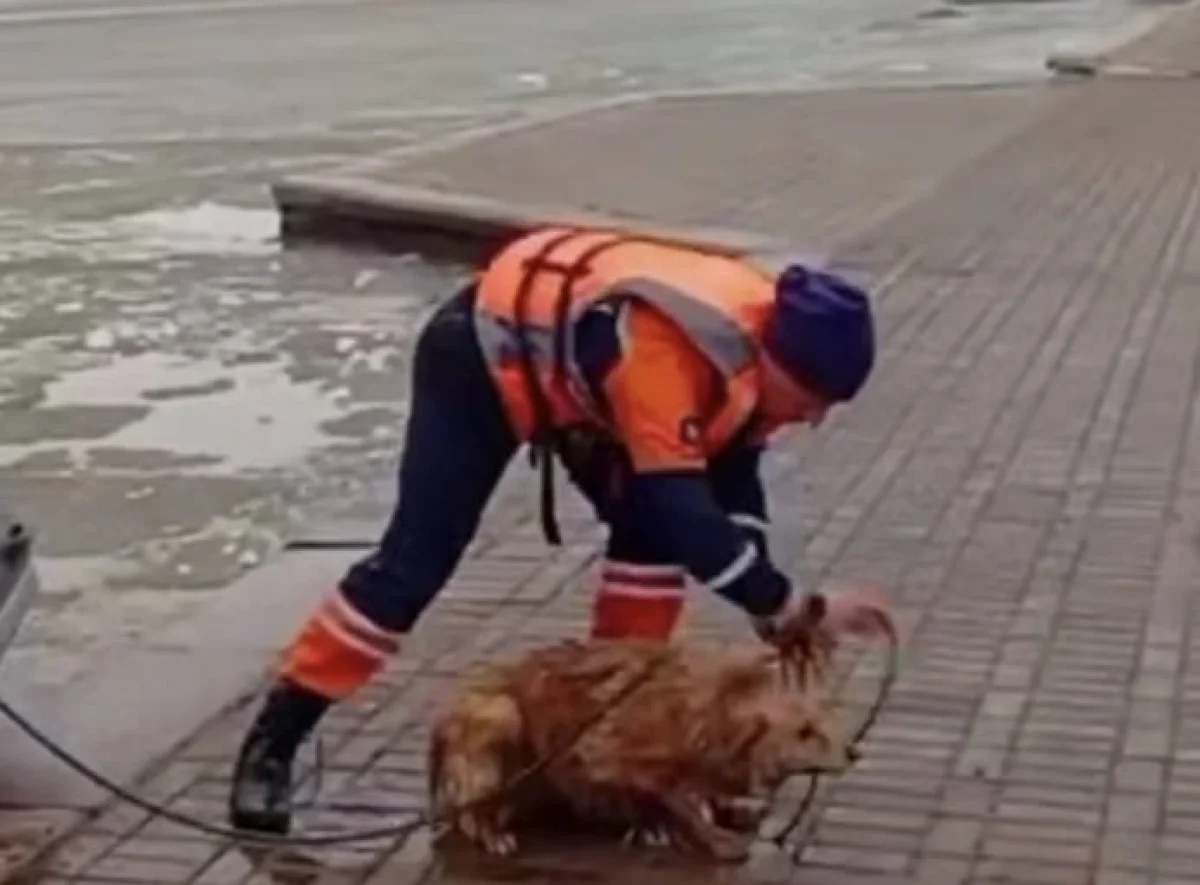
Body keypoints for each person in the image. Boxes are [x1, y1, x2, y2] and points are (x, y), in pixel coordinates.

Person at [227, 225, 891, 835]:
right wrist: (788, 604)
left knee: (648, 552)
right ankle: (273, 743)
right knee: (413, 566)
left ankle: (603, 748)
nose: (814, 419)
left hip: (585, 387)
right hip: (482, 357)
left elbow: (736, 483)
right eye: (812, 402)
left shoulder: (765, 352)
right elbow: (685, 510)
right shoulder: (665, 353)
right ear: (778, 363)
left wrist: (776, 611)